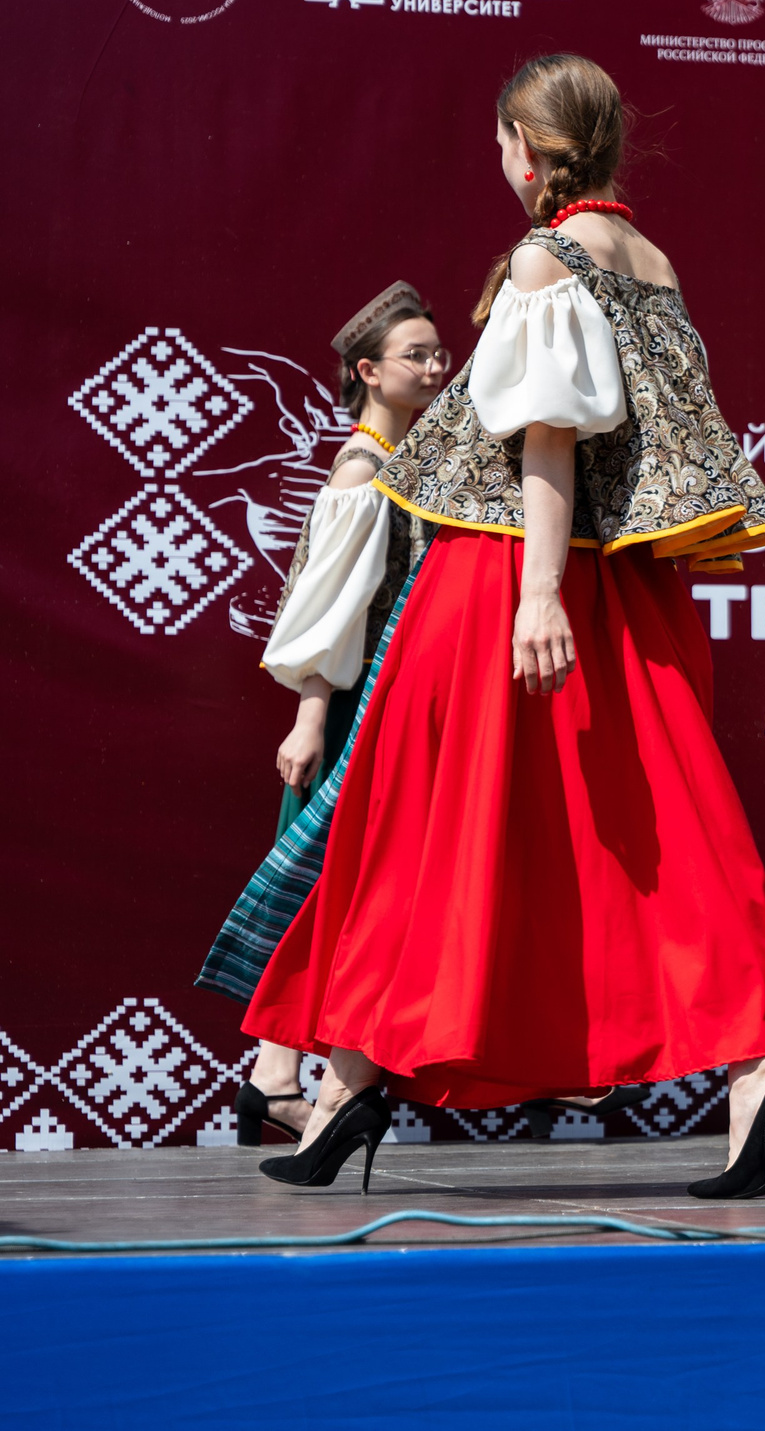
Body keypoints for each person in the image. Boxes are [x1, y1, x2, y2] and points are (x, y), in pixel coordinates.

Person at [243, 53, 765, 1200]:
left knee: (419, 822)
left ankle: (349, 1082)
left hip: (509, 581)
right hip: (623, 592)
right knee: (655, 835)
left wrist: (539, 593)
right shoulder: (651, 263)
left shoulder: (544, 258)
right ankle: (754, 1070)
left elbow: (546, 438)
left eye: (502, 139)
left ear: (527, 143)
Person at [198, 284, 447, 1145]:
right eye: (415, 354)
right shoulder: (364, 467)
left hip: (383, 704)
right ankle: (275, 1074)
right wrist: (310, 717)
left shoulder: (407, 461)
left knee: (337, 887)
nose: (435, 365)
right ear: (367, 372)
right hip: (349, 708)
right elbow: (330, 609)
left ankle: (274, 1075)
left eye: (438, 351)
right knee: (330, 883)